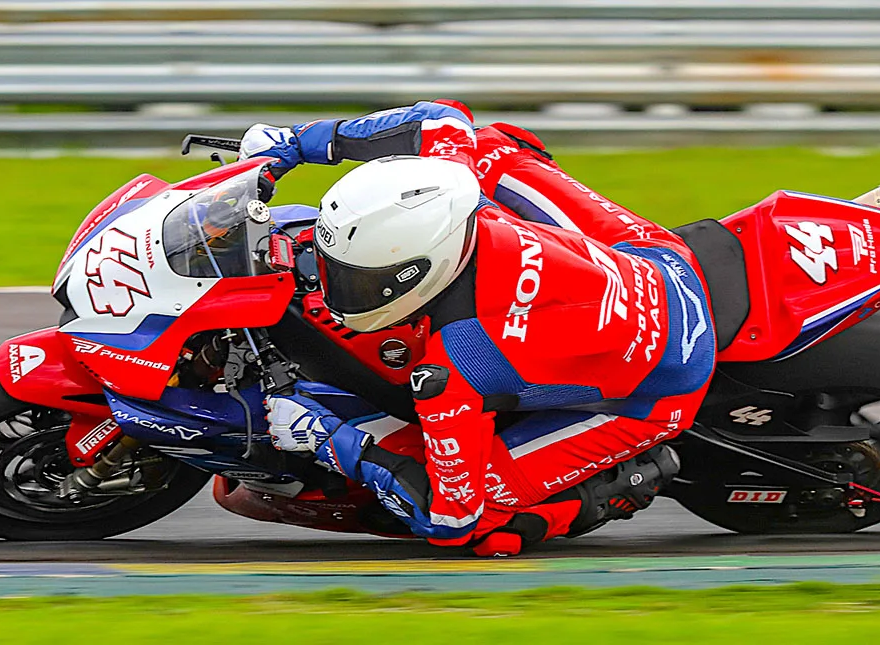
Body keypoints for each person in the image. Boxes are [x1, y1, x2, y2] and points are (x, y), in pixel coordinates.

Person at [245, 100, 716, 556]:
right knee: (492, 146)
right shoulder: (460, 195)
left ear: (421, 269)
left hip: (662, 388)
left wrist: (326, 437)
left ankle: (608, 490)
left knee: (484, 522)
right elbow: (442, 118)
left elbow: (450, 519)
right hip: (658, 258)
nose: (331, 286)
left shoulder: (458, 364)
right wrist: (297, 144)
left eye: (357, 281)